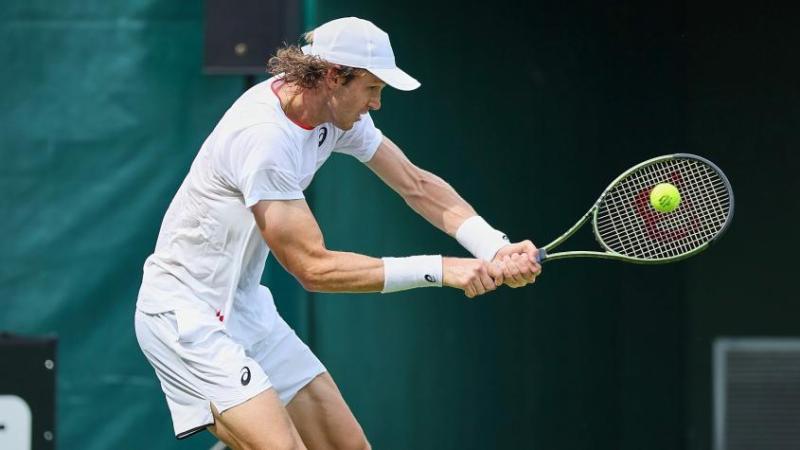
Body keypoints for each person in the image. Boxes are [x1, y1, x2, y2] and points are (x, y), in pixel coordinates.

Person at [134, 16, 541, 450]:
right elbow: (313, 268)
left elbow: (415, 184)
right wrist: (442, 269)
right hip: (185, 316)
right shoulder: (264, 139)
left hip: (246, 308)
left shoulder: (331, 113)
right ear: (333, 77)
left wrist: (493, 247)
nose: (377, 104)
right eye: (372, 89)